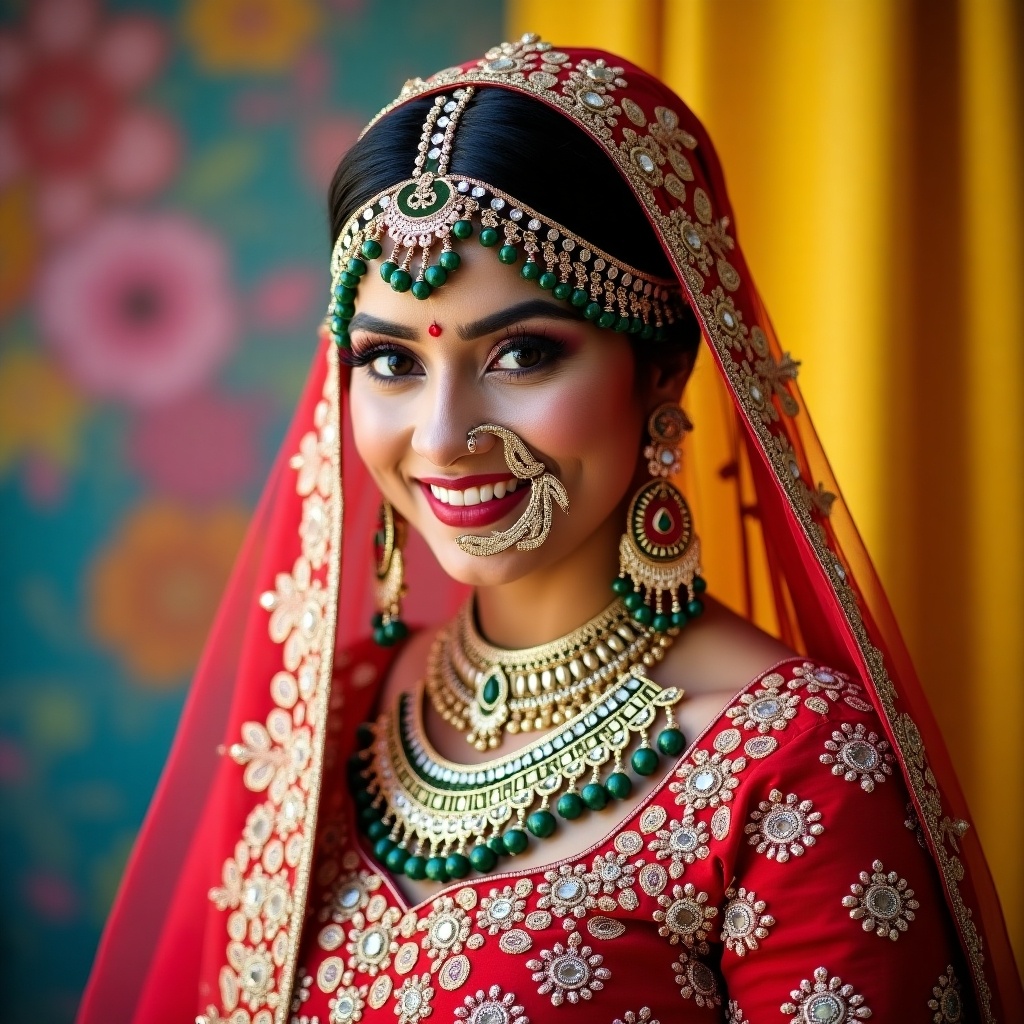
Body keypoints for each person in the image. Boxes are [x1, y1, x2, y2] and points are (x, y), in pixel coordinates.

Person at [78, 36, 1022, 1024]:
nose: (442, 439)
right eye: (392, 362)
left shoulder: (794, 763)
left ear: (661, 369)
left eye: (523, 352)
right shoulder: (334, 714)